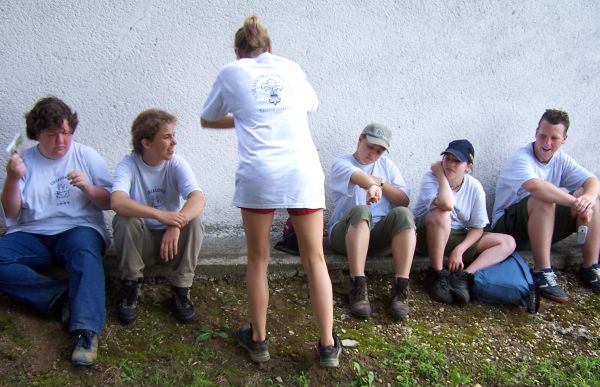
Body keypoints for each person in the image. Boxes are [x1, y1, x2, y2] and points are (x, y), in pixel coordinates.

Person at [200, 15, 341, 368]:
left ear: (237, 52)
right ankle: (327, 345)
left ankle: (259, 340)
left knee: (258, 258)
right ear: (270, 48)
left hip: (258, 173)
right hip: (301, 170)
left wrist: (244, 116)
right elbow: (311, 105)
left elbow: (206, 118)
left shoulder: (230, 73)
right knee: (315, 260)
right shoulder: (291, 68)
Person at [0, 96, 112, 366]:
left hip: (78, 227)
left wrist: (87, 187)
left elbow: (109, 202)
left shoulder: (85, 156)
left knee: (85, 252)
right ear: (37, 134)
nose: (61, 140)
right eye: (52, 134)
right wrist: (13, 179)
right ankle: (59, 297)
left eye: (66, 132)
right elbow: (11, 214)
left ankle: (86, 331)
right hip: (33, 233)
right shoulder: (24, 161)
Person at [492, 109, 600, 302]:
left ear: (564, 139)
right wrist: (576, 203)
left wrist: (588, 199)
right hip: (507, 230)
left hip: (541, 228)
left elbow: (592, 180)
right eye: (543, 135)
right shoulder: (522, 157)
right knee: (544, 198)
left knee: (592, 201)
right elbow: (535, 186)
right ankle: (542, 270)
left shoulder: (561, 160)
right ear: (535, 132)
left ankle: (590, 266)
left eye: (554, 138)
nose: (547, 143)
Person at [111, 109, 205, 324]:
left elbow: (198, 198)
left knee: (195, 218)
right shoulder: (129, 164)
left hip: (171, 243)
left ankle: (181, 288)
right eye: (167, 136)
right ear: (146, 143)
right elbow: (117, 201)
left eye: (173, 135)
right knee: (124, 218)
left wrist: (176, 224)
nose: (174, 142)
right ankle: (131, 286)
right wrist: (160, 215)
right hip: (141, 244)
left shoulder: (176, 163)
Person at [328, 123, 416, 320]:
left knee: (403, 214)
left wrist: (382, 184)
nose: (373, 154)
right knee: (361, 211)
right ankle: (357, 285)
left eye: (379, 150)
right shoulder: (342, 162)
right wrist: (371, 185)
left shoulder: (387, 166)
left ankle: (401, 288)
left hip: (377, 237)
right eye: (370, 146)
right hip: (346, 234)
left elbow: (404, 200)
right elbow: (358, 176)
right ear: (360, 139)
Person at [413, 140, 516, 304]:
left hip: (455, 236)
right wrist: (440, 175)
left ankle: (463, 276)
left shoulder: (475, 187)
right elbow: (446, 205)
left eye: (457, 161)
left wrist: (460, 250)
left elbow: (477, 227)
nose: (450, 165)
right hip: (427, 234)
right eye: (447, 159)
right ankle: (436, 273)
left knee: (508, 242)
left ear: (468, 167)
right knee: (442, 214)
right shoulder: (431, 179)